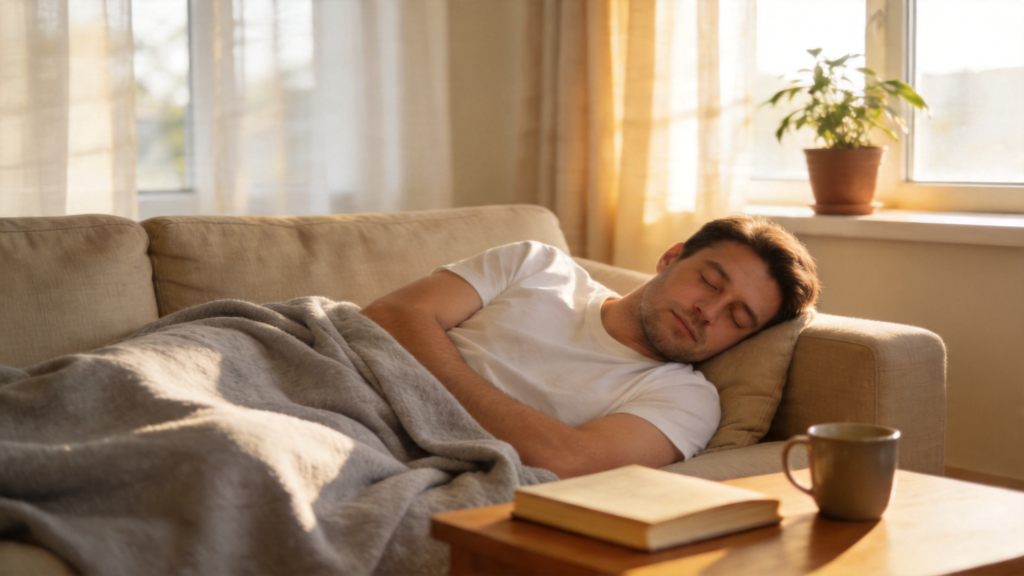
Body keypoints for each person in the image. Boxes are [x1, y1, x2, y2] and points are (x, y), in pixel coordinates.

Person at [360, 215, 819, 479]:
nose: (709, 311)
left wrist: (431, 375)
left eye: (737, 318)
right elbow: (390, 314)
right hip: (349, 383)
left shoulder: (685, 401)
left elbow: (568, 461)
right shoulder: (537, 265)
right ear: (670, 257)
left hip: (399, 457)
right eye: (710, 282)